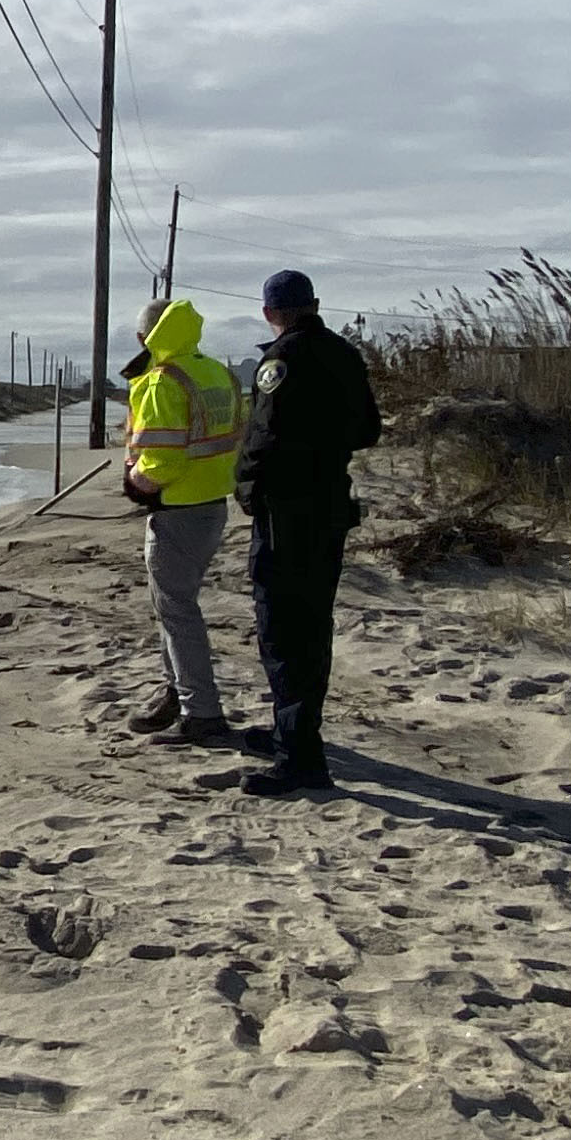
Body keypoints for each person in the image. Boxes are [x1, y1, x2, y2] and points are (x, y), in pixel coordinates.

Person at [232, 266, 381, 795]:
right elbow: (368, 430)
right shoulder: (344, 354)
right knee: (313, 625)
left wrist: (247, 486)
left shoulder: (282, 360)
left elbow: (265, 434)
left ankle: (299, 756)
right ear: (314, 303)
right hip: (329, 506)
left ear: (270, 313)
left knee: (283, 628)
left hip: (288, 512)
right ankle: (289, 732)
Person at [115, 293, 242, 745]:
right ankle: (178, 694)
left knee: (177, 612)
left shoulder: (162, 382)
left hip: (178, 508)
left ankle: (201, 713)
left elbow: (163, 461)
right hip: (213, 505)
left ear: (145, 337)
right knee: (175, 607)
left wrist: (136, 482)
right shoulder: (215, 372)